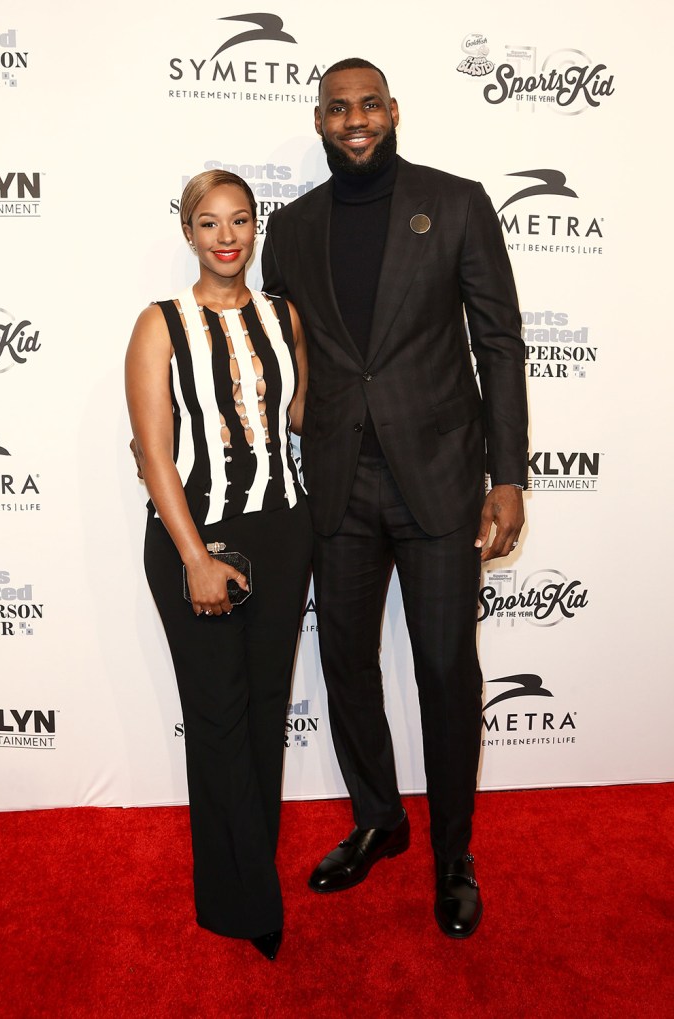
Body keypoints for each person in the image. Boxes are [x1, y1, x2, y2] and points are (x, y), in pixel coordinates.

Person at [261, 58, 528, 939]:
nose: (356, 119)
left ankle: (455, 853)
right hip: (338, 481)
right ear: (319, 121)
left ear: (394, 110)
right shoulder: (290, 228)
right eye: (338, 108)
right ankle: (379, 817)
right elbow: (282, 354)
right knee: (345, 663)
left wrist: (510, 475)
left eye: (369, 103)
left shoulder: (455, 203)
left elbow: (499, 343)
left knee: (448, 672)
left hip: (441, 480)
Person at [125, 170, 312, 961]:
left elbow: (300, 414)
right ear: (188, 232)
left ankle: (251, 874)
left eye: (239, 220)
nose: (226, 236)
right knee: (216, 713)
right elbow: (154, 453)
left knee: (266, 708)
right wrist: (195, 556)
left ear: (256, 227)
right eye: (209, 223)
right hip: (195, 535)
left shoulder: (286, 316)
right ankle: (240, 902)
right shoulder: (159, 324)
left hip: (285, 532)